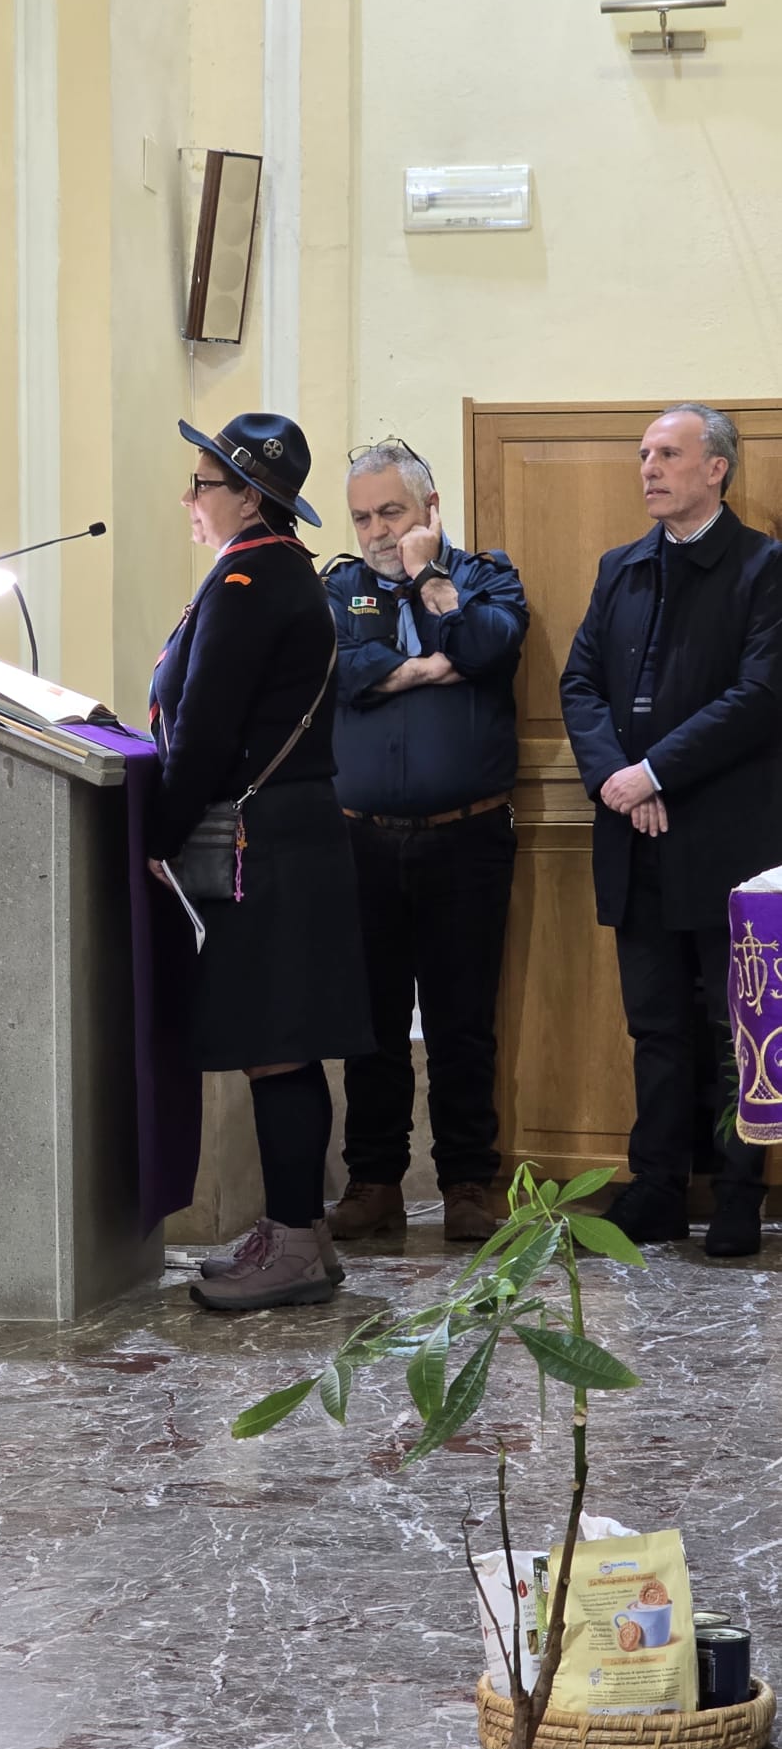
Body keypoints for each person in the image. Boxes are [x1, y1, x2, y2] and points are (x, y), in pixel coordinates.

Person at [147, 412, 373, 1312]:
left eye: (202, 483)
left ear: (249, 496)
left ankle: (294, 1245)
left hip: (268, 840)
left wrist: (159, 835)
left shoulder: (250, 578)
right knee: (278, 1043)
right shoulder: (267, 570)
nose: (189, 499)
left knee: (277, 1045)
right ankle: (297, 1234)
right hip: (285, 832)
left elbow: (205, 728)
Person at [560, 403, 782, 1259]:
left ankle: (738, 1195)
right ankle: (655, 1189)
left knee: (737, 1028)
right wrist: (619, 781)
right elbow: (580, 683)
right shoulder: (621, 567)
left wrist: (654, 773)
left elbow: (760, 697)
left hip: (728, 841)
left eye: (667, 454)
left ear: (716, 467)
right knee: (654, 1026)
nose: (648, 467)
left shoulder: (764, 568)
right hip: (637, 838)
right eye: (644, 454)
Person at [323, 438, 528, 1244]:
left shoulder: (486, 577)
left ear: (430, 508)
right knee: (369, 1023)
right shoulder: (337, 588)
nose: (377, 531)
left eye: (392, 512)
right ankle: (374, 1182)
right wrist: (422, 666)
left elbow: (485, 647)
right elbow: (339, 674)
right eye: (363, 517)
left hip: (465, 838)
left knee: (461, 1021)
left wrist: (430, 581)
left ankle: (468, 1183)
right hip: (361, 843)